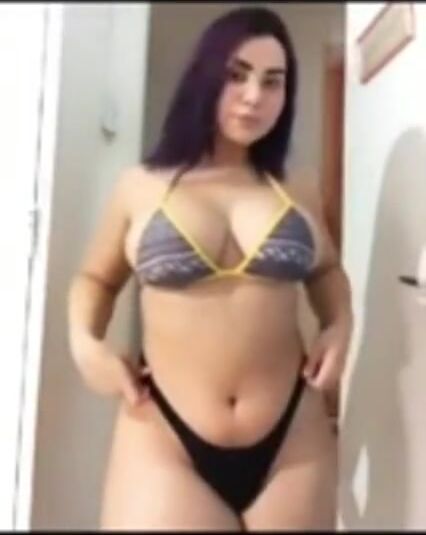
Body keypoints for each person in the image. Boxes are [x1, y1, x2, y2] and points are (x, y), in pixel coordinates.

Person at [67, 6, 353, 531]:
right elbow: (97, 279)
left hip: (292, 438)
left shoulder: (298, 186)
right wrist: (86, 345)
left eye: (273, 81)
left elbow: (326, 271)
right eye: (237, 74)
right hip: (166, 436)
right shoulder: (141, 185)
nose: (254, 96)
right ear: (205, 77)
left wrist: (340, 323)